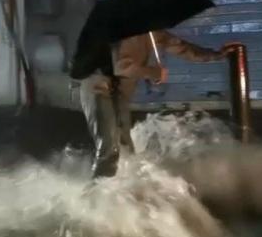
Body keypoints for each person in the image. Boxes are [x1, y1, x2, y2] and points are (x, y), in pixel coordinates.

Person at [75, 31, 229, 178]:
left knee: (125, 147)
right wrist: (153, 73)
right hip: (98, 87)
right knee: (109, 148)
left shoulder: (154, 33)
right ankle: (94, 196)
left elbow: (183, 48)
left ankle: (124, 193)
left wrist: (216, 54)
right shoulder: (127, 32)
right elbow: (122, 66)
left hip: (118, 92)